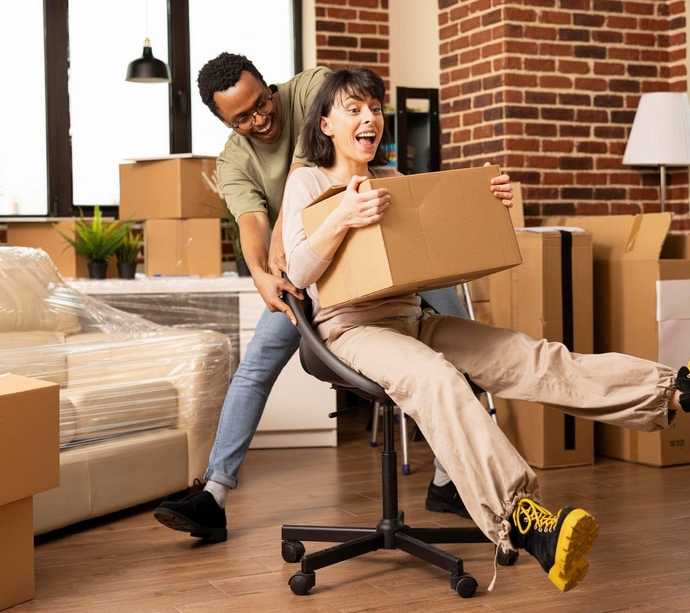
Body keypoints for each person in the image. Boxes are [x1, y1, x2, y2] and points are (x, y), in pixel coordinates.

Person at [280, 68, 690, 592]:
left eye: (375, 109)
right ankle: (522, 520)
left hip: (411, 318)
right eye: (355, 109)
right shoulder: (308, 182)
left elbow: (442, 261)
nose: (369, 119)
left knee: (531, 357)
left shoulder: (399, 183)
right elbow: (299, 273)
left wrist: (484, 208)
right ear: (327, 123)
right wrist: (343, 216)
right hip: (349, 332)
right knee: (436, 378)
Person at [152, 54, 469, 544]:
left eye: (262, 103)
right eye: (243, 118)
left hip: (382, 240)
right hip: (317, 272)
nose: (260, 119)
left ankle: (449, 479)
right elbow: (252, 224)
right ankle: (213, 496)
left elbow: (307, 165)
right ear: (224, 123)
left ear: (270, 87)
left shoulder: (312, 89)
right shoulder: (233, 161)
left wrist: (284, 234)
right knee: (255, 364)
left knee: (458, 327)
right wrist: (261, 273)